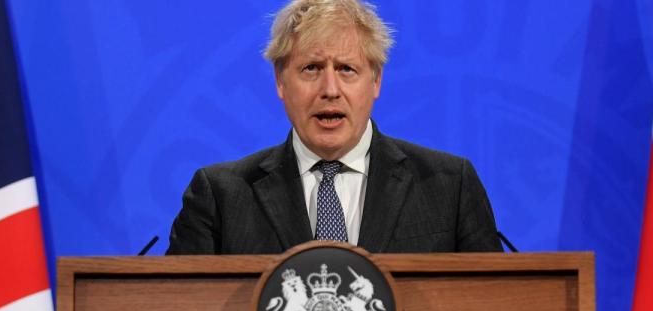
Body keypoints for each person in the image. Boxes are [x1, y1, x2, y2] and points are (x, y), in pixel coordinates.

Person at [166, 0, 502, 255]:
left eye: (346, 69)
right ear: (281, 81)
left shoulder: (449, 187)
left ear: (376, 81)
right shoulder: (220, 196)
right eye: (311, 68)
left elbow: (497, 310)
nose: (330, 89)